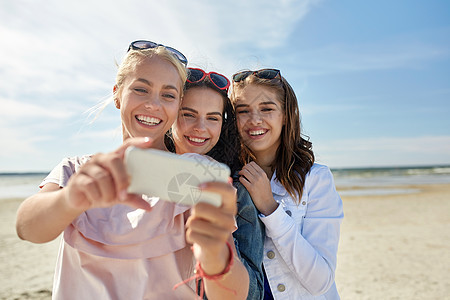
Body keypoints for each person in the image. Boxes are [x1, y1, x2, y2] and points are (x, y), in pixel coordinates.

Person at [15, 40, 249, 300]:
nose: (153, 104)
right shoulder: (79, 169)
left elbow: (232, 295)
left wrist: (216, 253)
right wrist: (71, 198)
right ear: (117, 93)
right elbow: (27, 228)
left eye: (168, 95)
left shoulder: (198, 174)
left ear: (177, 105)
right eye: (141, 89)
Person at [230, 69, 344, 299]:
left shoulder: (315, 179)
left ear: (286, 115)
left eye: (267, 109)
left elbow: (321, 281)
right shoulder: (225, 178)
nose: (254, 120)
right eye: (243, 111)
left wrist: (270, 208)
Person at [169, 68, 265, 299]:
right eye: (188, 114)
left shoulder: (235, 191)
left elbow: (254, 294)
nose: (201, 127)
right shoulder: (145, 177)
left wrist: (220, 250)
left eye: (213, 118)